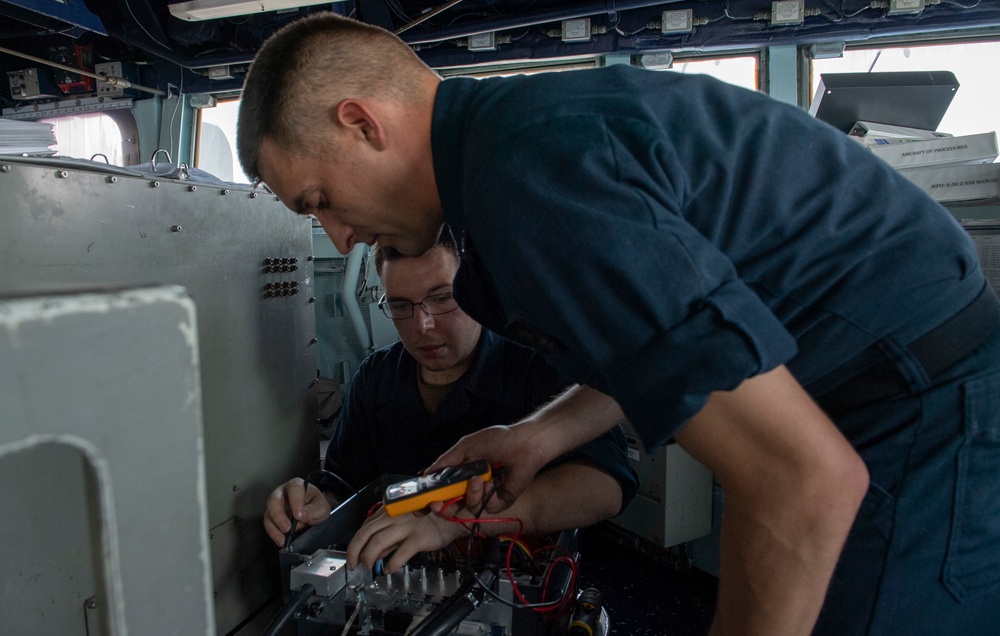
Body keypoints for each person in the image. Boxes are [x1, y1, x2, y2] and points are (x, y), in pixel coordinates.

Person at [237, 14, 1000, 636]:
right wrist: (539, 435)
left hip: (917, 410)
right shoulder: (519, 142)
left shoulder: (525, 185)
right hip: (894, 387)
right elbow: (673, 336)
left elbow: (799, 480)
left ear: (360, 124)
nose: (337, 238)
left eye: (318, 200)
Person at [263, 232, 638, 572]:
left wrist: (456, 522)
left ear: (476, 290)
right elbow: (346, 484)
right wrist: (318, 504)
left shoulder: (538, 364)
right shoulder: (375, 378)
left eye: (442, 298)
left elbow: (604, 486)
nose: (422, 324)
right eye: (400, 305)